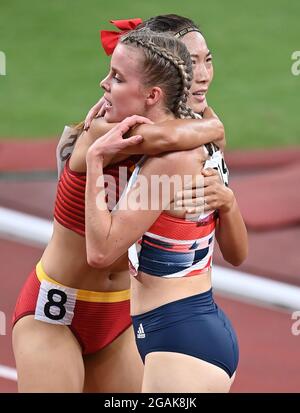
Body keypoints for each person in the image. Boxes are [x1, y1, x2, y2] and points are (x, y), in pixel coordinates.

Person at [11, 17, 228, 393]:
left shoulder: (185, 142)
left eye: (206, 62)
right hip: (56, 310)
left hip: (122, 316)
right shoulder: (105, 129)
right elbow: (158, 136)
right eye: (191, 63)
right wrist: (215, 128)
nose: (202, 75)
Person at [85, 28, 248, 393]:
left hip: (181, 340)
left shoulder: (172, 158)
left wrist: (97, 159)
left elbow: (100, 252)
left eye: (117, 77)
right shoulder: (191, 137)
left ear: (153, 92)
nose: (104, 83)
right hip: (182, 330)